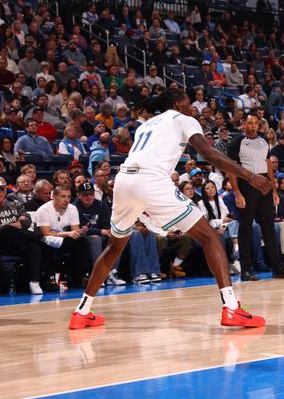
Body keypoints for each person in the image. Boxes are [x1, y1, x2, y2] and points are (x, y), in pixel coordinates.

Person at [70, 89, 271, 330]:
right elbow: (207, 153)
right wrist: (249, 175)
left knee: (114, 247)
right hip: (151, 180)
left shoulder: (146, 125)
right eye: (188, 102)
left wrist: (143, 205)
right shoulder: (183, 119)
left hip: (124, 180)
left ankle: (82, 311)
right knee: (211, 237)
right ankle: (231, 308)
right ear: (178, 103)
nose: (192, 107)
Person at [226, 114, 284, 280]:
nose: (252, 125)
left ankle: (277, 268)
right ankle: (246, 269)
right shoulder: (237, 142)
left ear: (259, 125)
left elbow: (268, 167)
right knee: (245, 228)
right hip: (246, 186)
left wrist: (273, 190)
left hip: (264, 187)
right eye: (249, 122)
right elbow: (231, 169)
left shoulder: (264, 141)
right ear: (244, 124)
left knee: (269, 228)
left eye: (255, 123)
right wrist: (237, 192)